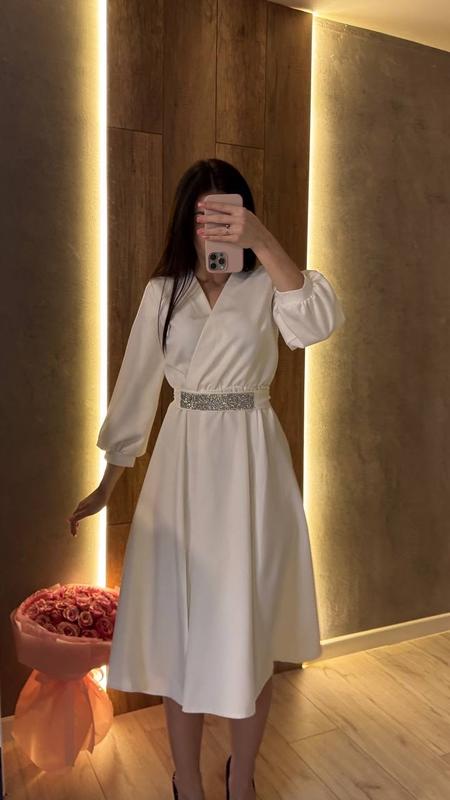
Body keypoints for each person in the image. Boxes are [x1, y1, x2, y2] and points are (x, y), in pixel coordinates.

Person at [69, 158, 345, 800]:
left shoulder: (268, 283)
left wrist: (263, 242)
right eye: (205, 213)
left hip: (252, 466)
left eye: (230, 212)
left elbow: (316, 325)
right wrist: (107, 484)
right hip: (184, 464)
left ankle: (240, 780)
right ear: (185, 220)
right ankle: (187, 782)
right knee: (181, 633)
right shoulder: (164, 292)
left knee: (253, 630)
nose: (216, 225)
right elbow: (136, 389)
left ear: (246, 215)